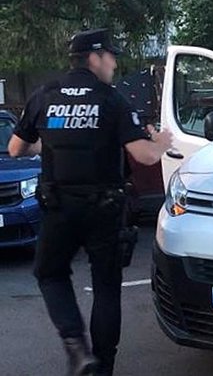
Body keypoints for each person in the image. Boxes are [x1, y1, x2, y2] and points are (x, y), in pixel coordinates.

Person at [8, 28, 173, 376]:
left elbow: (16, 148)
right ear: (94, 58)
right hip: (104, 208)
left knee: (50, 273)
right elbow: (143, 156)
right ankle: (102, 367)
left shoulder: (44, 95)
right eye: (111, 56)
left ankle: (77, 347)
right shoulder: (111, 100)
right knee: (106, 287)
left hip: (59, 207)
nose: (114, 63)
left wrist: (51, 143)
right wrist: (163, 141)